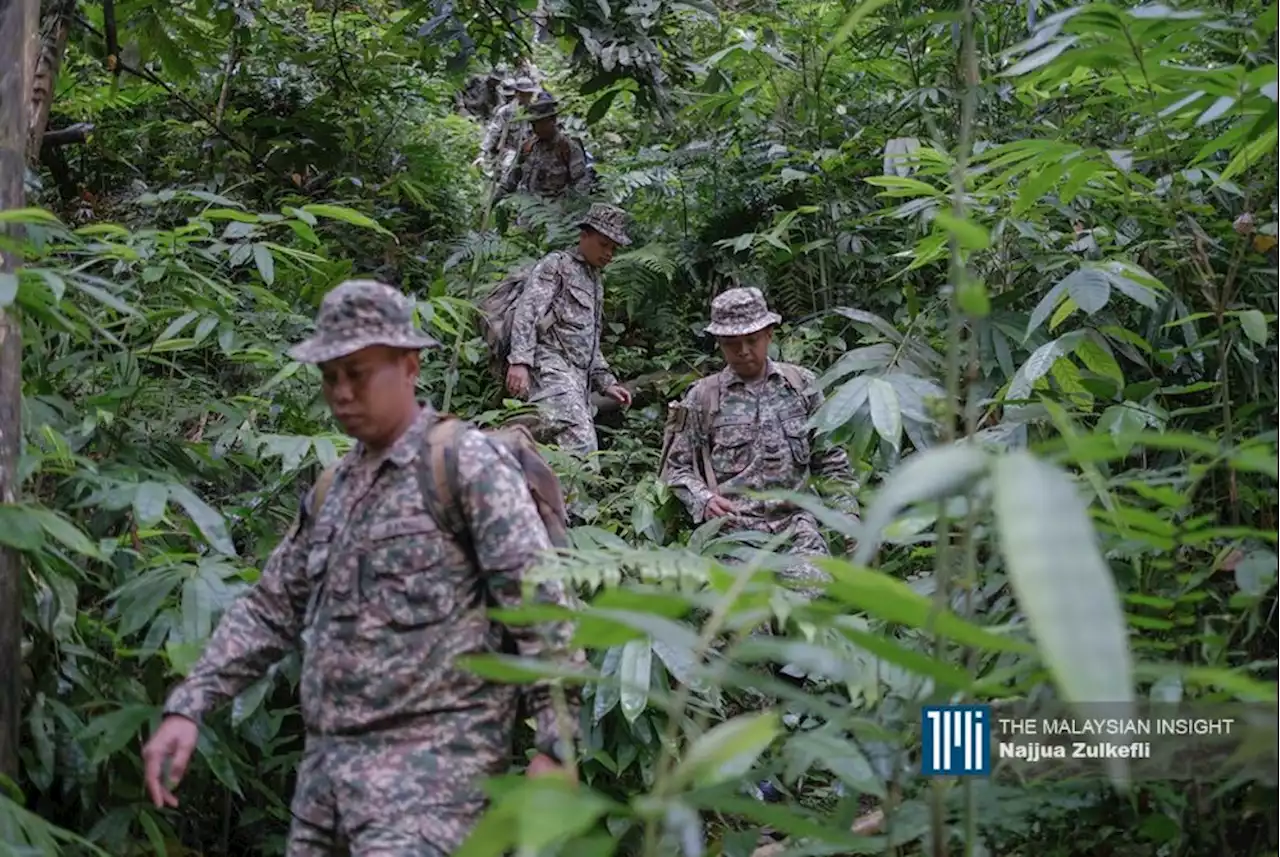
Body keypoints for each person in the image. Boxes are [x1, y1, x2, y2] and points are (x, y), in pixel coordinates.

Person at [139, 280, 580, 856]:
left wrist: (556, 743)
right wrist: (189, 704)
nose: (342, 392)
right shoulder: (335, 488)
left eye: (358, 373)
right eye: (330, 377)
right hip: (326, 787)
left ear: (410, 366)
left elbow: (541, 605)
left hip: (432, 789)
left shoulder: (463, 466)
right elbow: (271, 609)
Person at [660, 286, 860, 600]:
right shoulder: (702, 397)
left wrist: (848, 517)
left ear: (769, 334)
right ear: (719, 344)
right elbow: (675, 468)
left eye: (752, 340)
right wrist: (704, 500)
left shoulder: (801, 385)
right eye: (731, 344)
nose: (743, 351)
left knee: (812, 615)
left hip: (797, 529)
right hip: (734, 533)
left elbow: (831, 461)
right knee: (748, 627)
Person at [505, 203, 633, 467]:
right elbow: (528, 311)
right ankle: (579, 509)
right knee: (582, 445)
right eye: (603, 244)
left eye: (614, 248)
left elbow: (589, 340)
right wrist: (520, 361)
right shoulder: (557, 265)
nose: (609, 253)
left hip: (578, 380)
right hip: (550, 365)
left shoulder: (595, 280)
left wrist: (605, 381)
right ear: (583, 235)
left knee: (553, 450)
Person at [495, 95, 591, 202]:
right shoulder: (527, 147)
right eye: (534, 124)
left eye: (541, 123)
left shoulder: (567, 147)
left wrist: (571, 208)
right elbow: (510, 181)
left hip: (557, 210)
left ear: (553, 121)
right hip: (529, 210)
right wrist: (493, 201)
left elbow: (582, 182)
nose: (537, 128)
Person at [476, 76, 541, 177]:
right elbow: (493, 131)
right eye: (524, 94)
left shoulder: (535, 112)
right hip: (511, 150)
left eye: (529, 94)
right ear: (517, 94)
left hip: (531, 151)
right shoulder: (505, 112)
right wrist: (483, 152)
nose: (527, 98)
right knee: (508, 169)